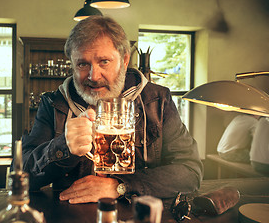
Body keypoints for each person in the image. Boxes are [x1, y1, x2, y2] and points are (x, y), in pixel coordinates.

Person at [18, 16, 203, 204]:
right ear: (72, 65)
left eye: (104, 61)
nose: (94, 76)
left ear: (124, 60)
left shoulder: (157, 100)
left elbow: (190, 172)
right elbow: (21, 176)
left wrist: (120, 186)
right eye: (83, 64)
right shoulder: (53, 104)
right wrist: (63, 146)